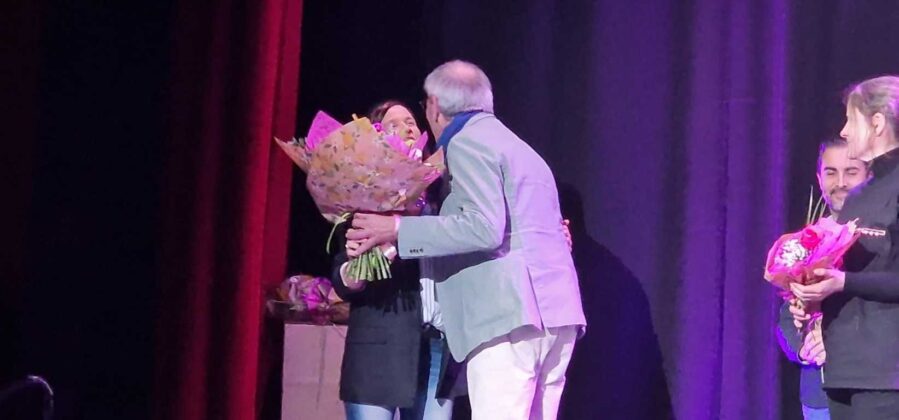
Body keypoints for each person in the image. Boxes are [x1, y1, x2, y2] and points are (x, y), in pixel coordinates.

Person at [345, 60, 586, 420]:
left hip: (510, 317)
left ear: (435, 106)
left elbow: (484, 227)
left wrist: (397, 229)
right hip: (557, 316)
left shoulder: (468, 144)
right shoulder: (523, 150)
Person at [331, 100, 462, 420]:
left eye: (411, 122)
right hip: (379, 353)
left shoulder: (443, 197)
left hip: (436, 348)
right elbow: (343, 275)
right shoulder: (366, 199)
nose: (407, 128)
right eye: (394, 125)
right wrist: (362, 266)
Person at [790, 75, 899, 419]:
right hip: (842, 373)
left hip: (887, 375)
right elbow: (843, 269)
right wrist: (812, 299)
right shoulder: (857, 198)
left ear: (877, 123)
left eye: (851, 119)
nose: (845, 131)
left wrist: (843, 282)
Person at [777, 138, 868, 420]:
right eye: (831, 172)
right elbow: (785, 315)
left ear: (870, 176)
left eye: (851, 172)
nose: (840, 182)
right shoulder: (804, 242)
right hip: (820, 394)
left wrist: (837, 342)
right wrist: (805, 345)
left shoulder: (885, 237)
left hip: (875, 390)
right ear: (819, 178)